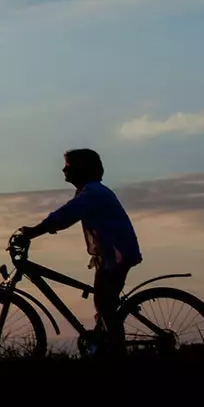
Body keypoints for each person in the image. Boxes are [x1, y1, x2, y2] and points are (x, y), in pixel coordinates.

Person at [17, 148, 142, 356]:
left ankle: (117, 354)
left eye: (68, 166)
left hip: (116, 254)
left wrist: (34, 232)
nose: (63, 170)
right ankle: (105, 344)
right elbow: (67, 214)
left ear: (81, 169)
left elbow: (66, 215)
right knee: (104, 304)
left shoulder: (93, 193)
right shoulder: (90, 191)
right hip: (110, 254)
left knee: (104, 304)